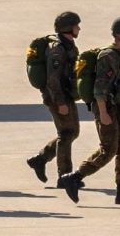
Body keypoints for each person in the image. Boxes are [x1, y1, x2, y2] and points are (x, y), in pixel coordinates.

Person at [61, 17, 120, 205]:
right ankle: (74, 177)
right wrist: (103, 113)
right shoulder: (108, 56)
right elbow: (100, 88)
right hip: (106, 108)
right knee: (108, 149)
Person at [24, 12, 84, 185]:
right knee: (66, 133)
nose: (78, 28)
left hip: (65, 94)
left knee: (72, 132)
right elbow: (52, 78)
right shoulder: (57, 49)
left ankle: (40, 159)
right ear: (68, 28)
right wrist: (60, 102)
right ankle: (64, 176)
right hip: (57, 96)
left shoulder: (68, 44)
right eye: (76, 26)